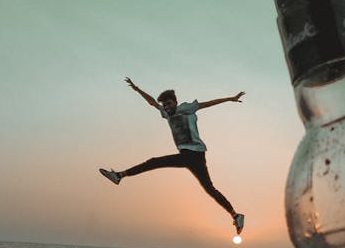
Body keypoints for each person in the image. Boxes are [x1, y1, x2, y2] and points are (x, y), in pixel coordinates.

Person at [99, 77, 245, 235]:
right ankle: (236, 215)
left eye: (169, 103)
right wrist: (136, 89)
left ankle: (120, 175)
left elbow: (207, 103)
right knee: (209, 189)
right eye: (165, 105)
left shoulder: (186, 108)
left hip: (193, 154)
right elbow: (152, 103)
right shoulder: (166, 114)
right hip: (193, 156)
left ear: (175, 102)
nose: (166, 107)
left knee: (154, 162)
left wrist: (231, 98)